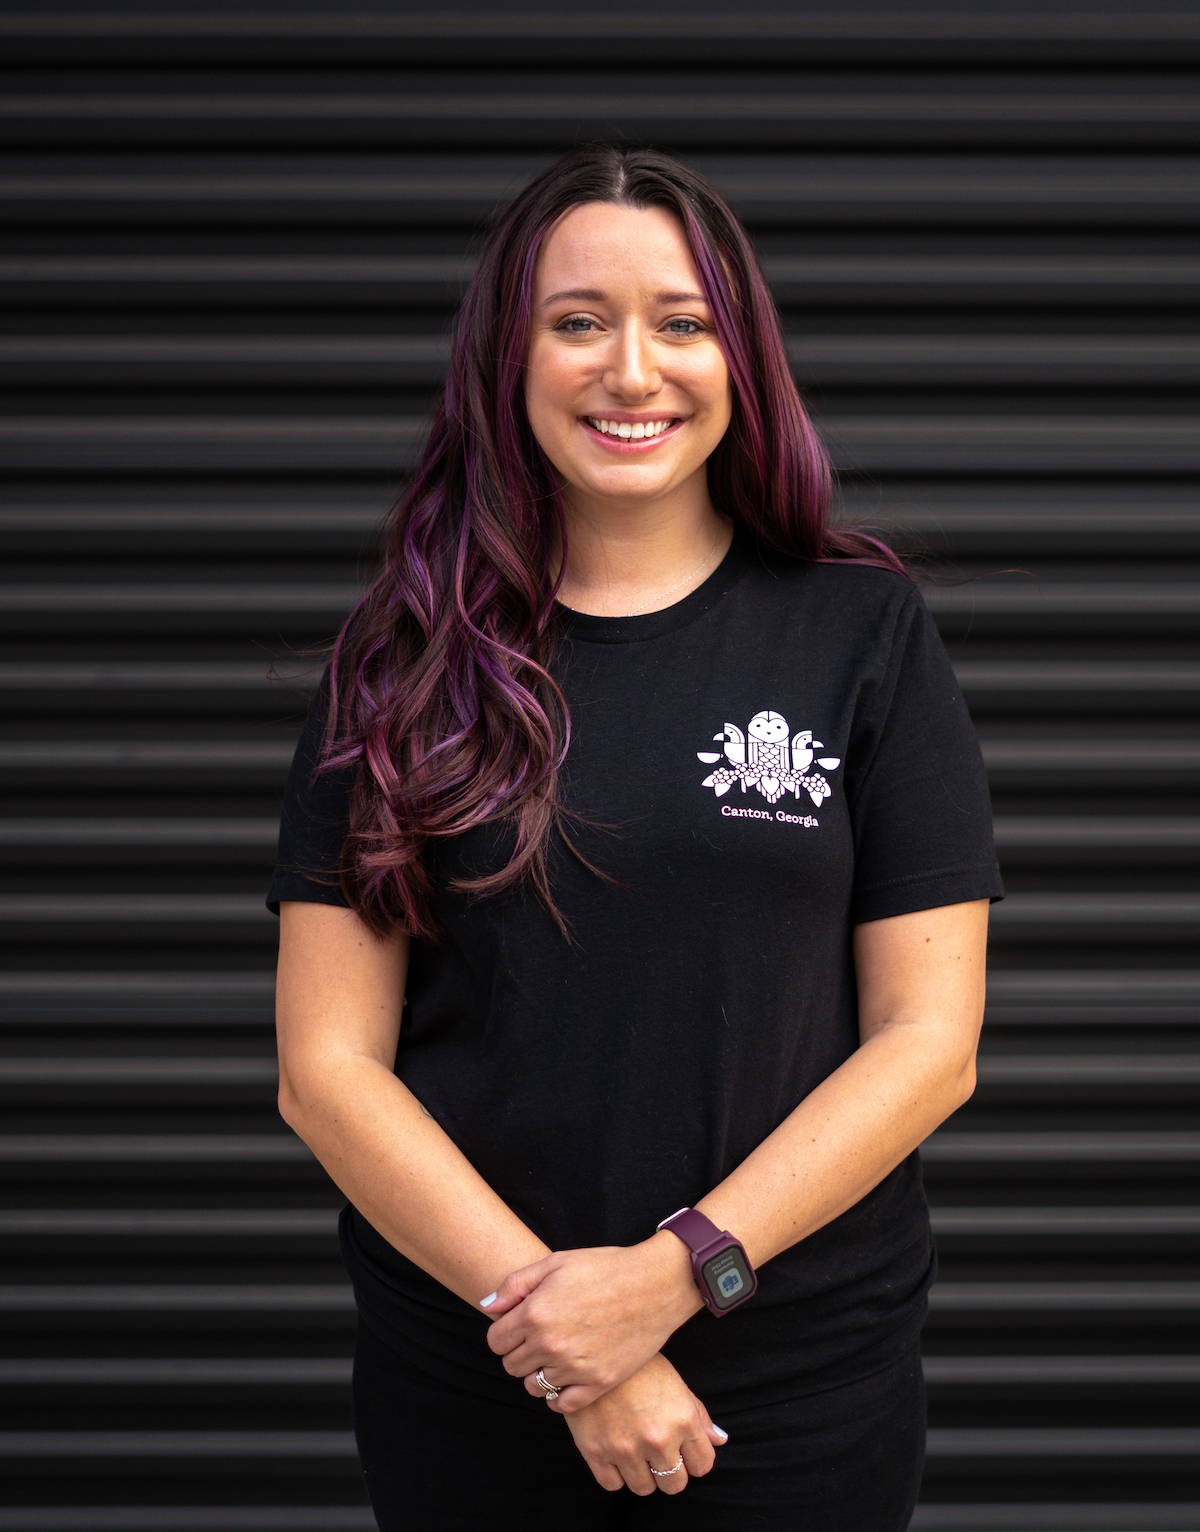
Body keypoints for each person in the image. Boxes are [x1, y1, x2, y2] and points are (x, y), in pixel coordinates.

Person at [265, 141, 1004, 1530]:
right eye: (577, 322)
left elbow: (928, 1041)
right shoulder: (402, 664)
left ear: (742, 355)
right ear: (508, 357)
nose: (632, 370)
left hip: (798, 1388)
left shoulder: (862, 636)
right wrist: (565, 1344)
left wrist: (668, 1280)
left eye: (681, 322)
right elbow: (328, 1066)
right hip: (477, 1390)